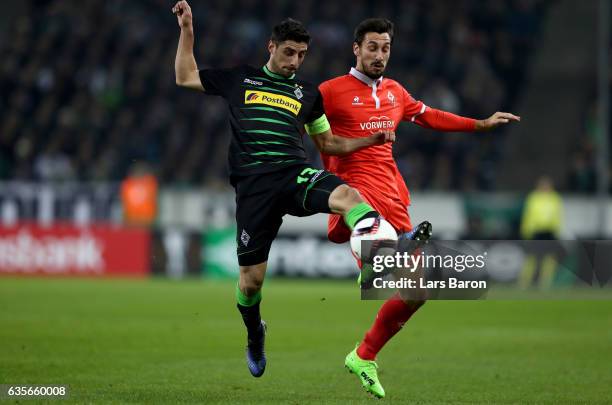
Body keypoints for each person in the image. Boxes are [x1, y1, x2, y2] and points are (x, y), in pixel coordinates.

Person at [172, 2, 396, 379]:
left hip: (294, 175)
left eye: (302, 55)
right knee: (251, 282)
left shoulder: (307, 94)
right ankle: (254, 333)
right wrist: (187, 29)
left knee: (350, 197)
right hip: (254, 189)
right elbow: (184, 76)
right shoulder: (240, 80)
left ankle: (375, 259)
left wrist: (369, 139)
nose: (295, 62)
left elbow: (327, 145)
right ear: (271, 47)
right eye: (289, 52)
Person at [319, 18, 521, 398]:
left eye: (386, 48)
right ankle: (376, 263)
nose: (380, 55)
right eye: (373, 47)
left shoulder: (395, 92)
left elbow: (431, 116)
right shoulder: (330, 92)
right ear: (356, 49)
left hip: (393, 198)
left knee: (419, 291)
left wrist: (479, 124)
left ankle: (363, 355)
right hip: (354, 196)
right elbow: (297, 121)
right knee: (382, 251)